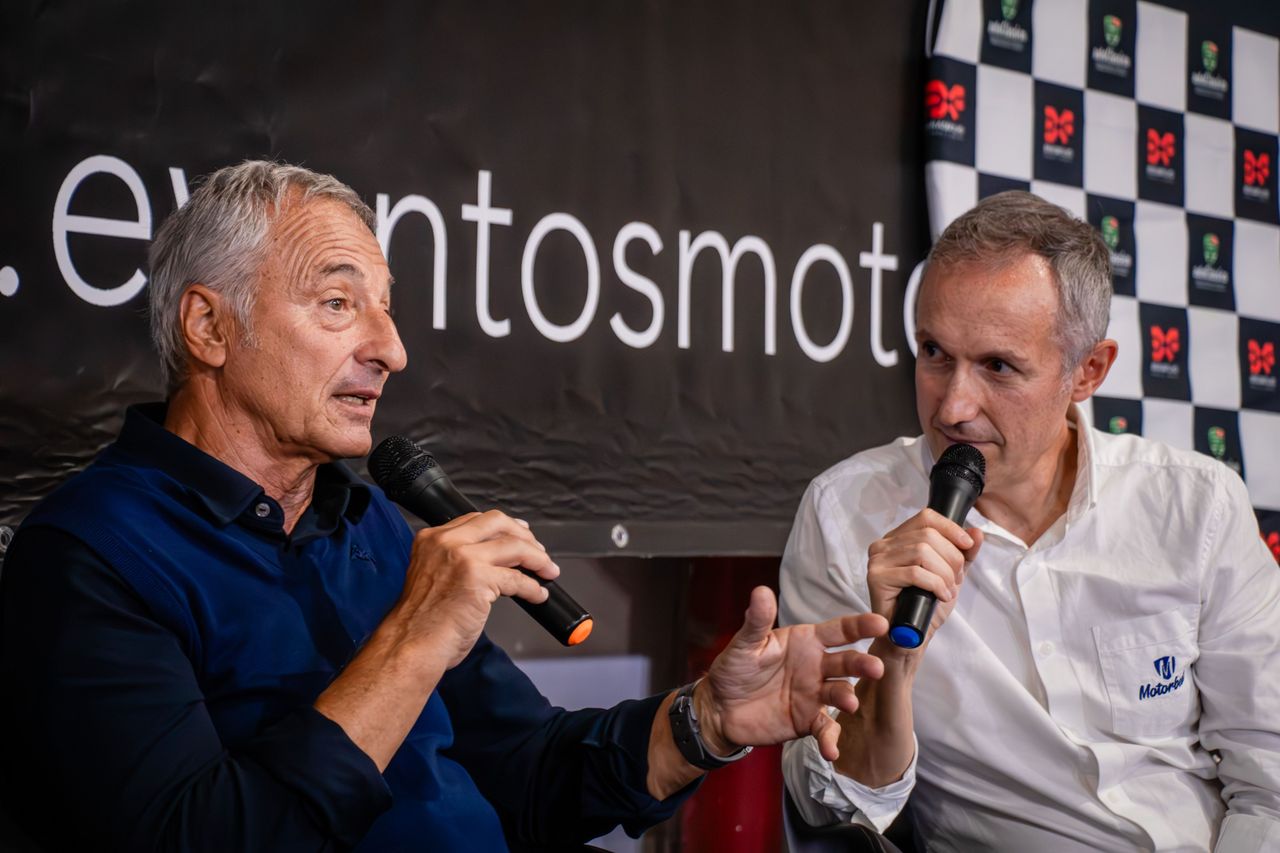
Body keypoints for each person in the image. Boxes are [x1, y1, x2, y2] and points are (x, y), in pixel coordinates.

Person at [0, 160, 889, 852]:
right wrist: (412, 639)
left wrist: (706, 722)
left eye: (386, 311)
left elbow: (531, 772)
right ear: (209, 327)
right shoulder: (89, 557)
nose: (390, 349)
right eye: (338, 303)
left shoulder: (367, 524)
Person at [779, 191, 1280, 852]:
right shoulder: (845, 514)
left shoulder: (1197, 506)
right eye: (934, 352)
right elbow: (831, 807)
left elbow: (1268, 777)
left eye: (997, 366)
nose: (952, 408)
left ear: (1088, 371)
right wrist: (892, 662)